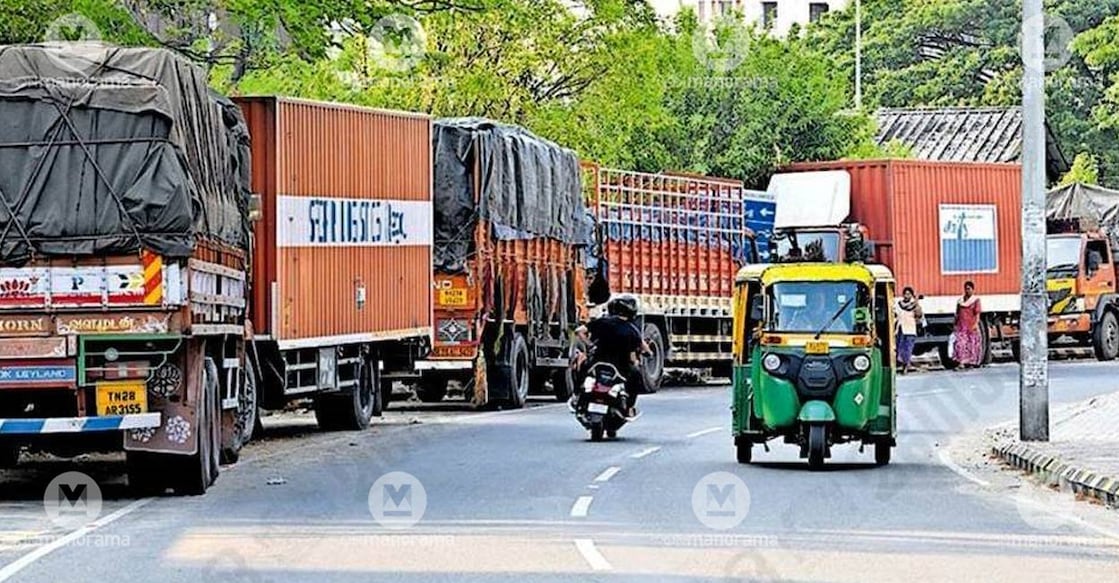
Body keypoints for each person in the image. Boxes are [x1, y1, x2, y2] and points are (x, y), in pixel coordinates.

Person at [585, 296, 648, 417]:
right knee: (636, 375)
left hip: (597, 363)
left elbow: (579, 331)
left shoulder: (601, 322)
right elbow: (634, 354)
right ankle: (630, 407)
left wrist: (590, 345)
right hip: (620, 368)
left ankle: (576, 396)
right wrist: (645, 355)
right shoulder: (631, 330)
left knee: (582, 367)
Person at [952, 281, 984, 368]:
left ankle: (971, 362)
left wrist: (976, 324)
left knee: (971, 344)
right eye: (966, 289)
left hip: (971, 326)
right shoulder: (960, 301)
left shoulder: (975, 300)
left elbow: (977, 313)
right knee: (961, 344)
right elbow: (957, 313)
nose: (967, 290)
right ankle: (961, 362)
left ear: (973, 290)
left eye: (969, 289)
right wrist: (955, 324)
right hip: (961, 326)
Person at [895, 287, 923, 374]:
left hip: (910, 329)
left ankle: (906, 366)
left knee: (908, 349)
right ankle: (903, 363)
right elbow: (895, 314)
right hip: (901, 328)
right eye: (905, 294)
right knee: (900, 348)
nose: (906, 296)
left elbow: (919, 315)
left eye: (908, 294)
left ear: (911, 295)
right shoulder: (899, 304)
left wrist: (917, 303)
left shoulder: (914, 305)